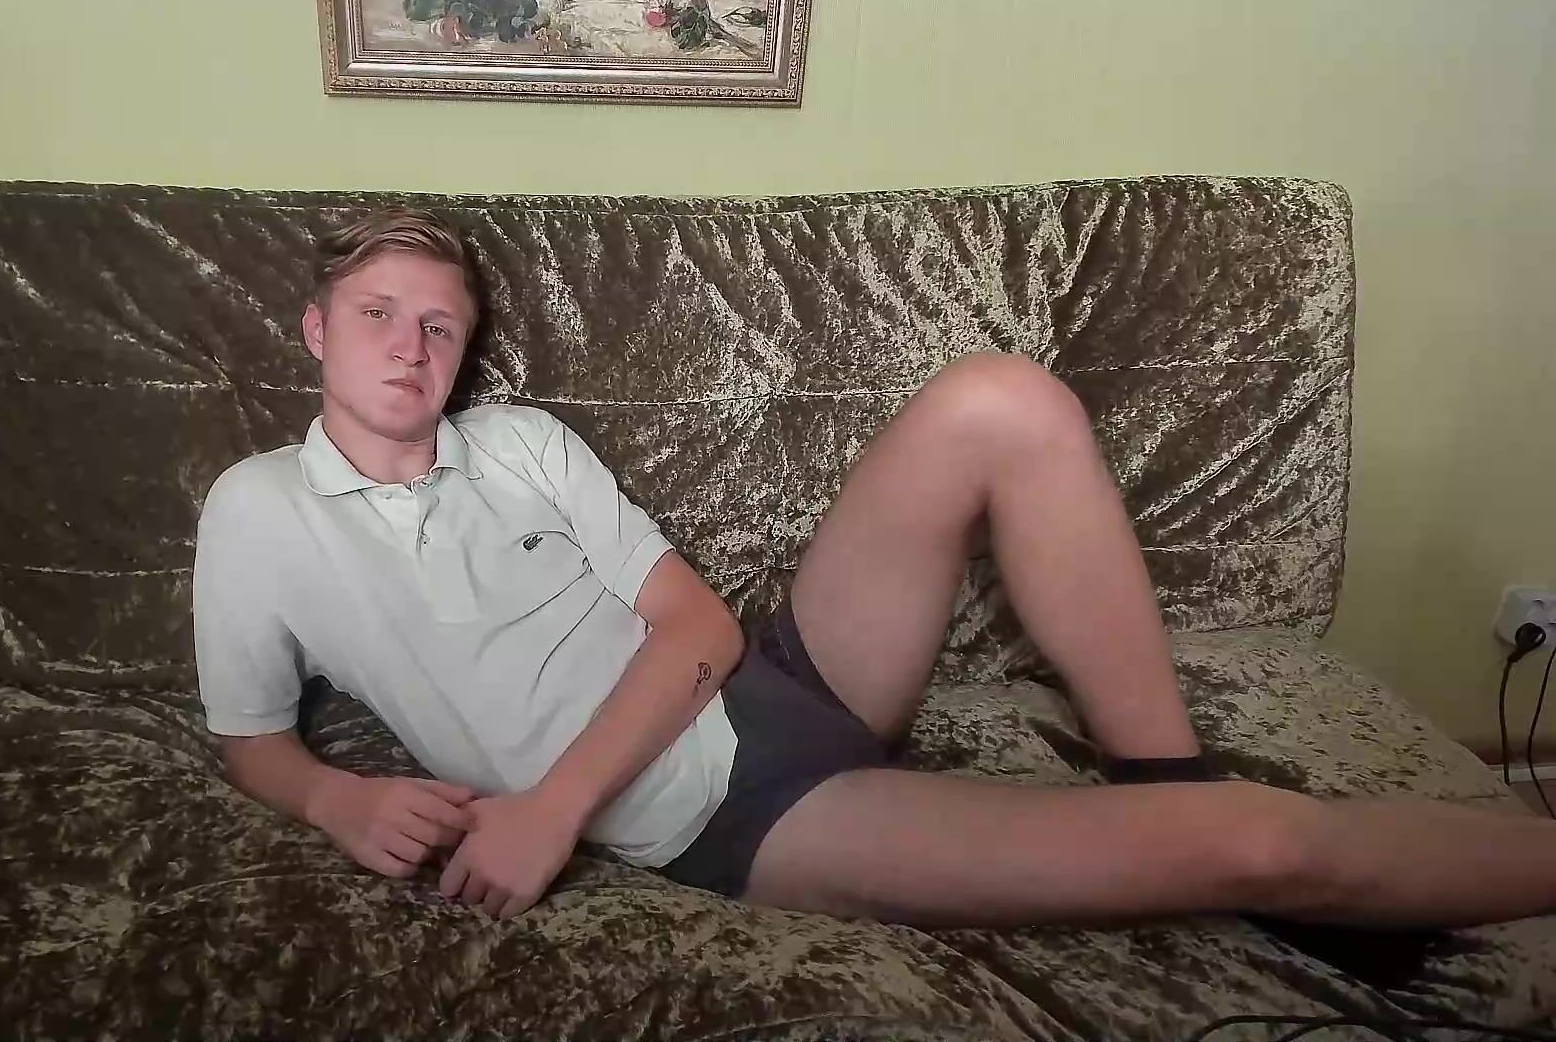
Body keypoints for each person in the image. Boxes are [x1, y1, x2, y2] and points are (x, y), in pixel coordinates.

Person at [194, 208, 1555, 939]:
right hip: (739, 817)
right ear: (315, 329)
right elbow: (251, 737)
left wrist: (549, 807)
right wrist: (337, 801)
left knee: (1001, 398)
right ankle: (1212, 833)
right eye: (379, 314)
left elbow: (698, 627)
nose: (412, 347)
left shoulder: (520, 442)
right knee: (1267, 846)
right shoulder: (258, 513)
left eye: (441, 326)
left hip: (775, 680)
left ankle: (1165, 781)